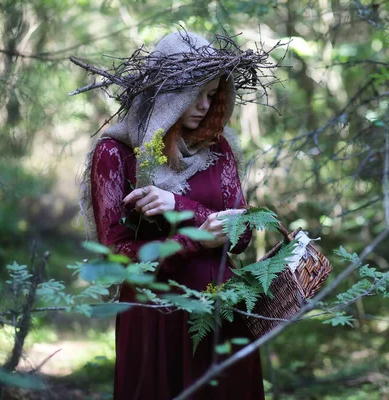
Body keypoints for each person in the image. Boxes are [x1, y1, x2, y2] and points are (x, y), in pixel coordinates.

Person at [79, 31, 265, 400]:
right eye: (194, 93)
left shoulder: (220, 147)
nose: (203, 105)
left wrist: (179, 206)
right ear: (167, 95)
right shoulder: (116, 153)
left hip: (220, 308)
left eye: (211, 95)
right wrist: (191, 242)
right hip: (154, 311)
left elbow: (242, 235)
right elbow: (116, 255)